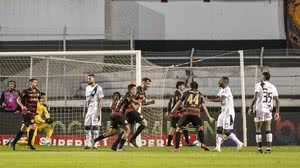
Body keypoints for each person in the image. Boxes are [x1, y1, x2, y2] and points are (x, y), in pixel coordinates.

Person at [172, 81, 214, 152]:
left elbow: (178, 103)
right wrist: (209, 116)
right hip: (196, 114)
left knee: (178, 129)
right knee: (200, 129)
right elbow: (204, 107)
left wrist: (173, 111)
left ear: (191, 87)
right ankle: (203, 144)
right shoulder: (200, 95)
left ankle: (176, 148)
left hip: (186, 114)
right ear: (197, 87)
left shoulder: (186, 93)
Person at [207, 76, 243, 152]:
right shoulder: (221, 90)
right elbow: (217, 97)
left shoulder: (227, 89)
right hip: (223, 112)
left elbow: (221, 99)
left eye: (220, 80)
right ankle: (218, 147)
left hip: (228, 113)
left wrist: (208, 100)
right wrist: (206, 97)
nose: (219, 82)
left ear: (225, 82)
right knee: (219, 129)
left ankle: (239, 143)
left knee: (226, 131)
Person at [248, 72, 280, 153]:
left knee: (258, 129)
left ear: (264, 77)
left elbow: (255, 98)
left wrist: (251, 107)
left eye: (261, 76)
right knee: (268, 129)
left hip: (260, 109)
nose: (260, 77)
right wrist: (277, 112)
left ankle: (259, 149)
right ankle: (269, 149)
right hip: (269, 109)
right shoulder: (273, 87)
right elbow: (277, 100)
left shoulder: (259, 84)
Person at [11, 78, 41, 150]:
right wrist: (22, 106)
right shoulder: (26, 91)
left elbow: (38, 101)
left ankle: (13, 143)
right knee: (33, 126)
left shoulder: (38, 91)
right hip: (26, 112)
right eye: (34, 82)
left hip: (33, 112)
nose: (35, 84)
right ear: (30, 83)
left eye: (36, 82)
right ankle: (29, 144)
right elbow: (18, 100)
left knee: (23, 128)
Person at [128, 78, 155, 147]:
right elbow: (130, 97)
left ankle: (128, 142)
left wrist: (150, 102)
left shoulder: (143, 92)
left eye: (149, 84)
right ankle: (131, 139)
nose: (149, 85)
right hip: (130, 110)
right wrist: (136, 102)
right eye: (148, 83)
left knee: (129, 128)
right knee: (144, 123)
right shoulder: (137, 89)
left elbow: (143, 103)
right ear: (143, 82)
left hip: (133, 111)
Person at [166, 81, 190, 146]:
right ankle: (187, 142)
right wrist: (184, 108)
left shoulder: (174, 94)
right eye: (183, 86)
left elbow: (169, 104)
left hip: (173, 114)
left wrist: (169, 112)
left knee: (173, 127)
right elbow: (178, 105)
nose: (184, 87)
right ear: (179, 86)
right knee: (185, 125)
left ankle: (168, 143)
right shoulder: (178, 95)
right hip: (177, 113)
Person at [84, 74, 104, 149]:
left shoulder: (98, 88)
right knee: (87, 126)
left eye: (90, 79)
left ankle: (95, 143)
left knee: (95, 127)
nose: (88, 80)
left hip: (96, 108)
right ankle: (88, 143)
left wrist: (99, 111)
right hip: (89, 109)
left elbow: (101, 100)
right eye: (88, 79)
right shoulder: (87, 88)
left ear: (94, 79)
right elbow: (87, 100)